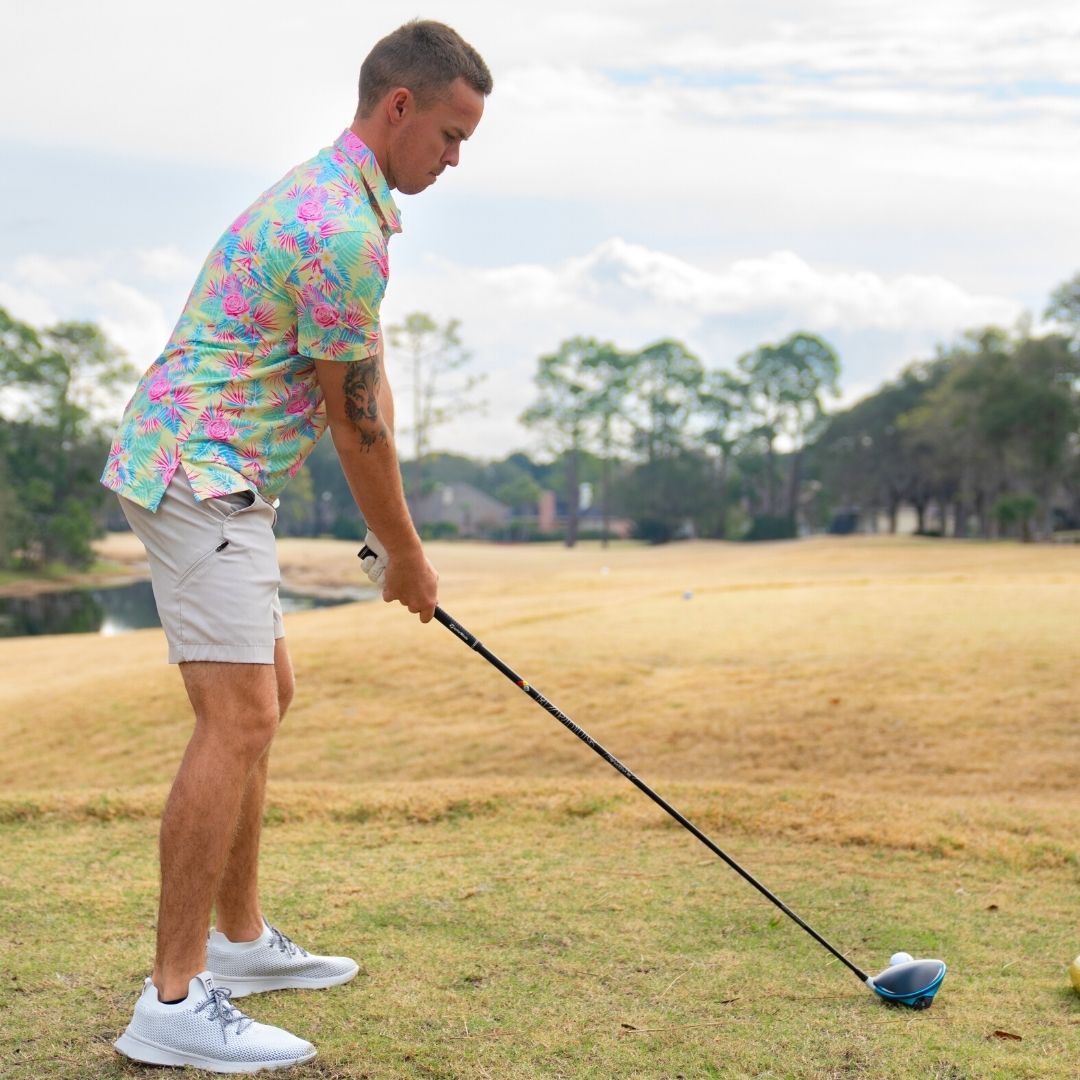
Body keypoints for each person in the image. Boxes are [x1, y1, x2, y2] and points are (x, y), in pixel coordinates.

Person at [102, 20, 492, 1073]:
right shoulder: (340, 231)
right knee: (237, 718)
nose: (455, 159)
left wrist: (392, 540)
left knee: (266, 696)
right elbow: (355, 429)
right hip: (200, 470)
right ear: (399, 107)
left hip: (207, 465)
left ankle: (236, 941)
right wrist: (406, 555)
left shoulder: (344, 202)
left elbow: (365, 383)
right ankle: (172, 1000)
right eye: (450, 135)